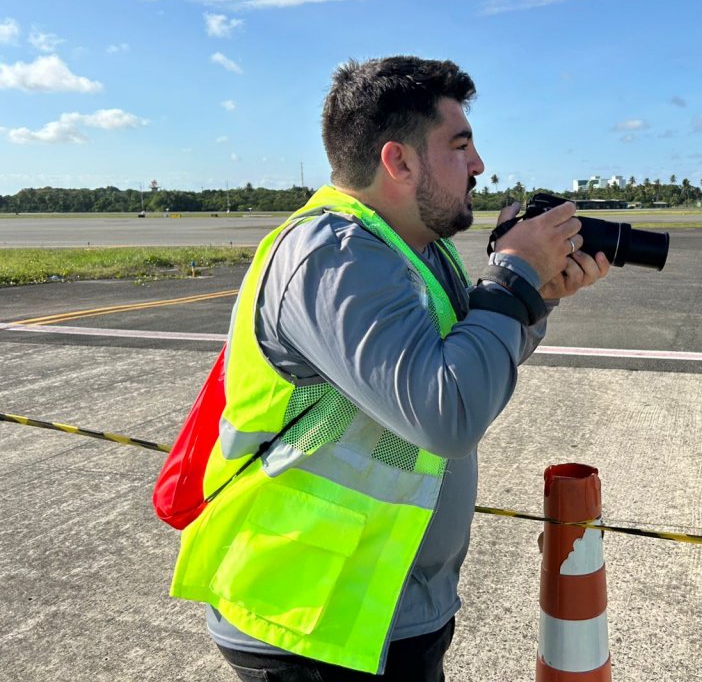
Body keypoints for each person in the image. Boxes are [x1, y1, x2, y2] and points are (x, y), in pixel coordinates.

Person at [169, 55, 609, 680]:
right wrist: (512, 278)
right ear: (398, 161)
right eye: (460, 146)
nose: (479, 165)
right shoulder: (334, 257)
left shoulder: (415, 254)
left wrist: (535, 299)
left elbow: (472, 378)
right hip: (312, 620)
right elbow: (448, 414)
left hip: (386, 606)